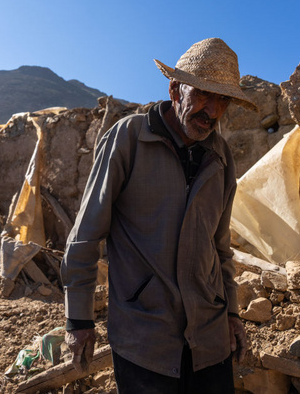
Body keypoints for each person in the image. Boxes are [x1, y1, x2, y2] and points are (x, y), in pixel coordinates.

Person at [60, 38, 257, 393]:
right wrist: (78, 318)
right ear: (175, 89)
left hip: (209, 340)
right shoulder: (129, 138)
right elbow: (86, 233)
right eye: (203, 95)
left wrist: (231, 314)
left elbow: (221, 247)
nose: (212, 111)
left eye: (222, 99)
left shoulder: (221, 156)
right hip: (144, 337)